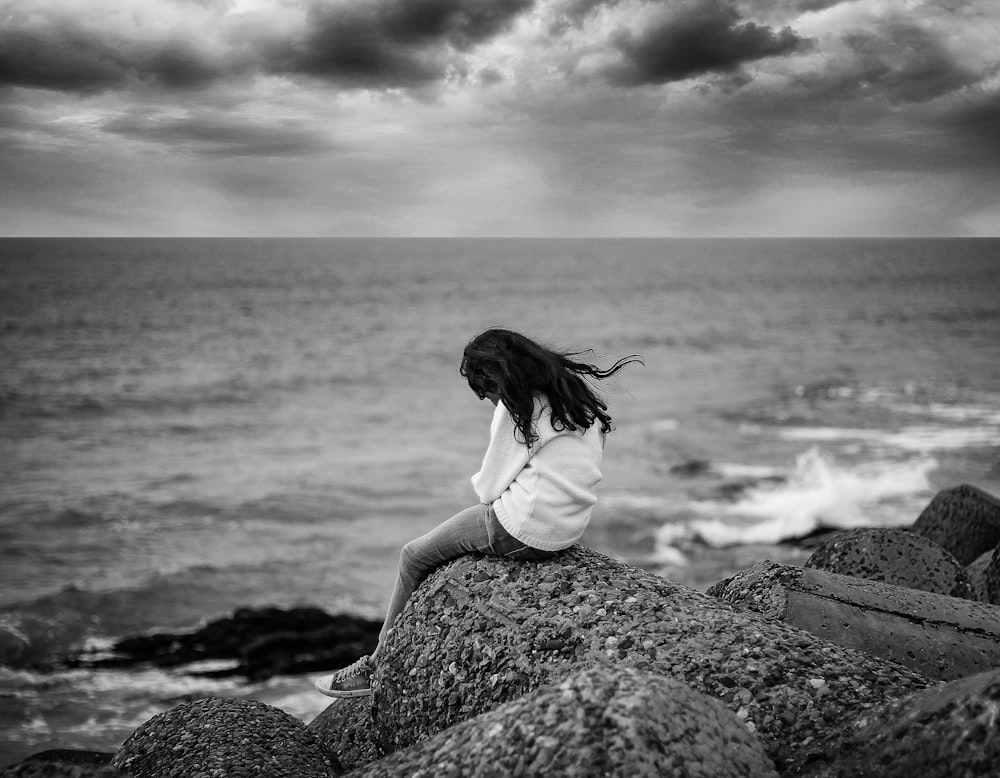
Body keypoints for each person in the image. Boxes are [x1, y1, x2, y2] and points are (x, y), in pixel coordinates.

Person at [314, 328, 641, 698]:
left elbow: (488, 488)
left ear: (496, 377)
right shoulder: (573, 398)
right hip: (566, 529)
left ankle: (375, 666)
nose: (487, 399)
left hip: (522, 527)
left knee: (413, 556)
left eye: (484, 390)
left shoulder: (519, 407)